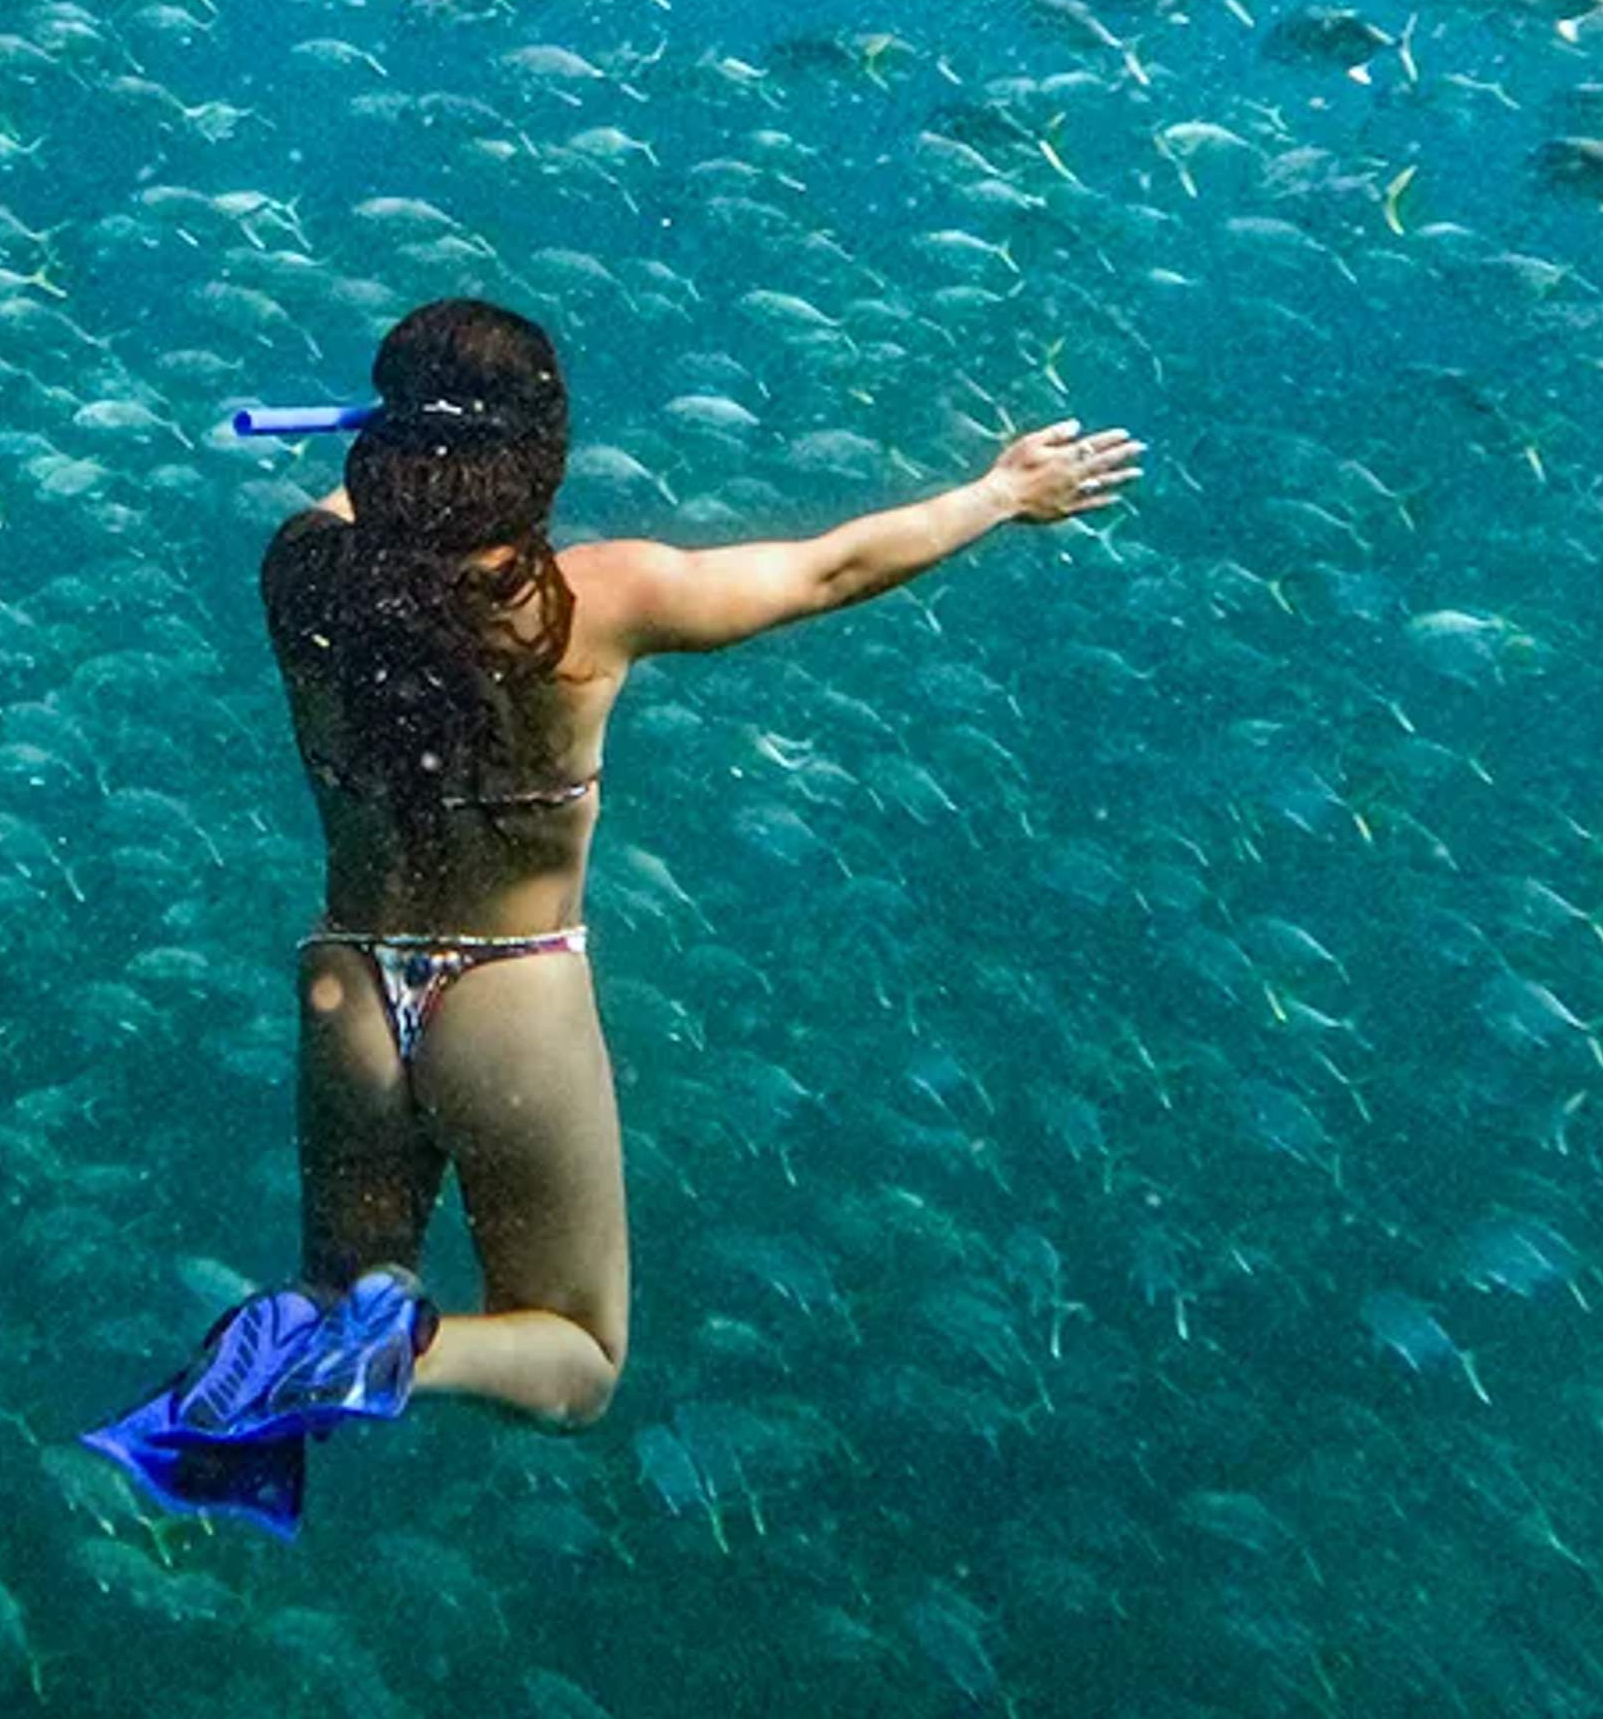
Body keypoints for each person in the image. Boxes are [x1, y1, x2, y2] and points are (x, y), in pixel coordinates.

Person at [84, 297, 1143, 1534]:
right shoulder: (596, 602)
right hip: (506, 993)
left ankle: (337, 1338)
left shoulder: (305, 582)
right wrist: (1000, 494)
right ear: (537, 452)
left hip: (350, 990)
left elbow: (349, 514)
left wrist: (389, 439)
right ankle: (402, 1356)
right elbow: (831, 566)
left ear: (384, 442)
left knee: (349, 1291)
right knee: (578, 1359)